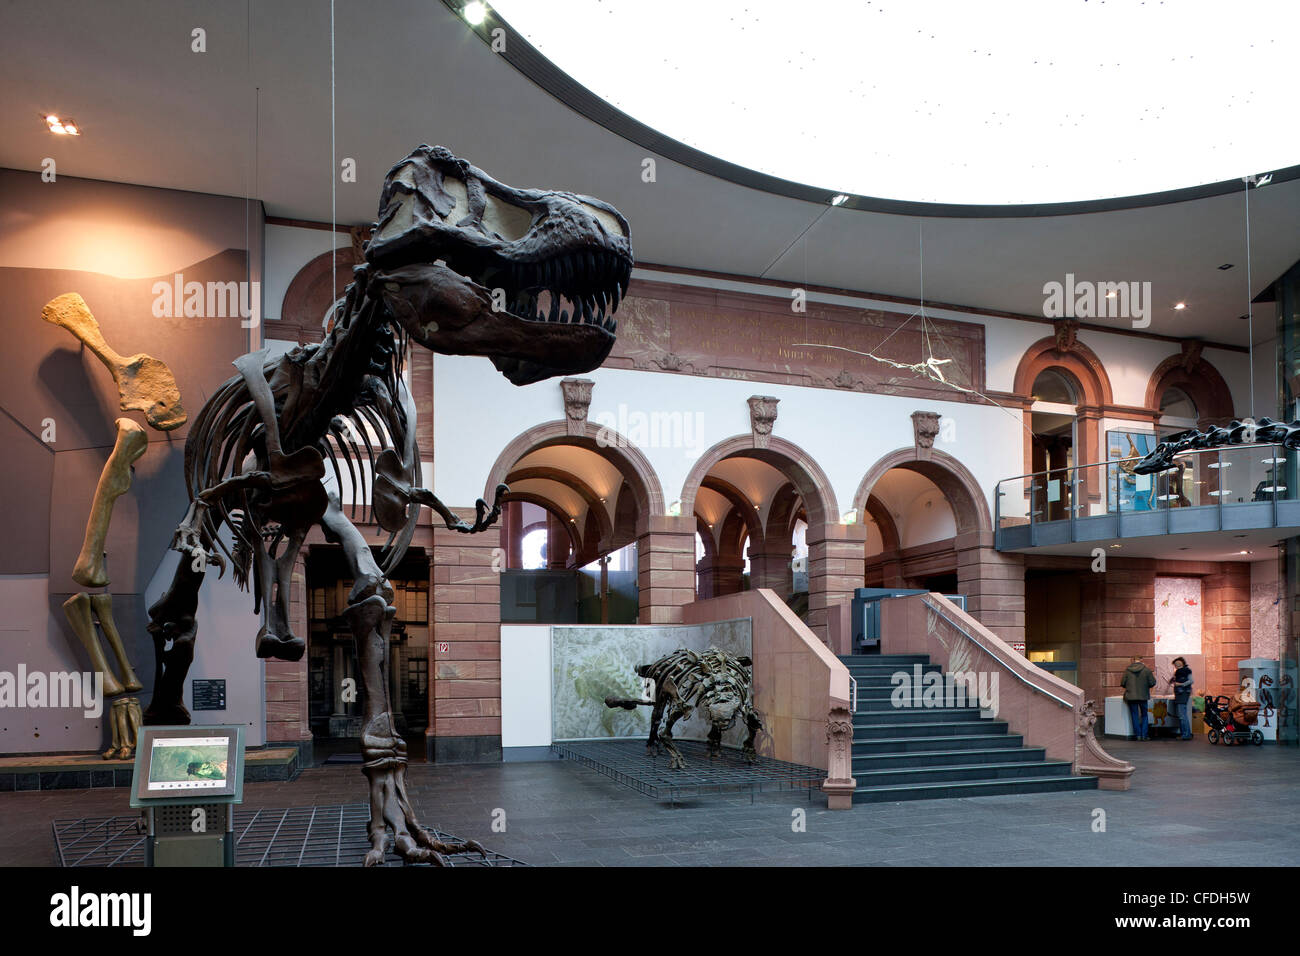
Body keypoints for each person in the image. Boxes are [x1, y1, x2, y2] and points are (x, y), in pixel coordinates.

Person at [1121, 655, 1157, 740]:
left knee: (1134, 715)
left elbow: (1122, 683)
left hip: (1131, 696)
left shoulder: (1127, 670)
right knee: (1144, 715)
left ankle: (1138, 735)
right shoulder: (1146, 670)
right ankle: (1144, 735)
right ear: (1141, 660)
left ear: (1133, 660)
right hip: (1143, 696)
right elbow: (1152, 682)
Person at [1170, 657, 1194, 740]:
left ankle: (1186, 734)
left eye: (1175, 665)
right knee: (1182, 715)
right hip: (1182, 694)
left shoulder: (1185, 671)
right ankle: (1184, 733)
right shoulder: (1182, 671)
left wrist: (1180, 684)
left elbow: (1191, 681)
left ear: (1177, 665)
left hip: (1182, 694)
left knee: (1182, 715)